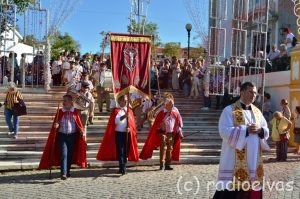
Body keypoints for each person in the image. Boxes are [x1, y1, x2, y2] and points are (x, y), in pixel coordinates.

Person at [213, 82, 269, 199]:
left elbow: (266, 130)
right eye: (250, 92)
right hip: (234, 160)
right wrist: (246, 130)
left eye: (255, 93)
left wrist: (261, 130)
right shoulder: (229, 110)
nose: (254, 95)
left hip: (253, 159)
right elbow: (223, 131)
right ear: (242, 92)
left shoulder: (257, 112)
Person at [39, 94, 87, 180]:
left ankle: (67, 171)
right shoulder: (60, 112)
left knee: (70, 155)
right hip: (62, 136)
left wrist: (81, 131)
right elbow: (56, 123)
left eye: (65, 101)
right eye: (63, 101)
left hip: (72, 136)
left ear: (70, 102)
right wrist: (56, 125)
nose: (63, 102)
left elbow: (78, 124)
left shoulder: (75, 112)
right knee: (63, 154)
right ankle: (63, 173)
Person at [96, 94, 139, 175]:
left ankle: (122, 166)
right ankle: (122, 167)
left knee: (126, 150)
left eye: (126, 100)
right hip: (118, 133)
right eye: (124, 100)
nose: (125, 102)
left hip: (127, 133)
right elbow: (115, 121)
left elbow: (132, 123)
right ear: (119, 101)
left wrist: (130, 128)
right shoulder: (116, 110)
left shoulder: (129, 110)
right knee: (121, 150)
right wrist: (124, 117)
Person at [139, 95, 183, 171]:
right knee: (163, 148)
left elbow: (177, 124)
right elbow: (156, 123)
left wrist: (180, 132)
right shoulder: (161, 113)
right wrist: (160, 125)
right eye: (170, 105)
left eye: (172, 105)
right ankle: (161, 164)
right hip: (162, 133)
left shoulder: (175, 113)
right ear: (166, 105)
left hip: (170, 133)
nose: (172, 106)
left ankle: (167, 164)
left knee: (170, 148)